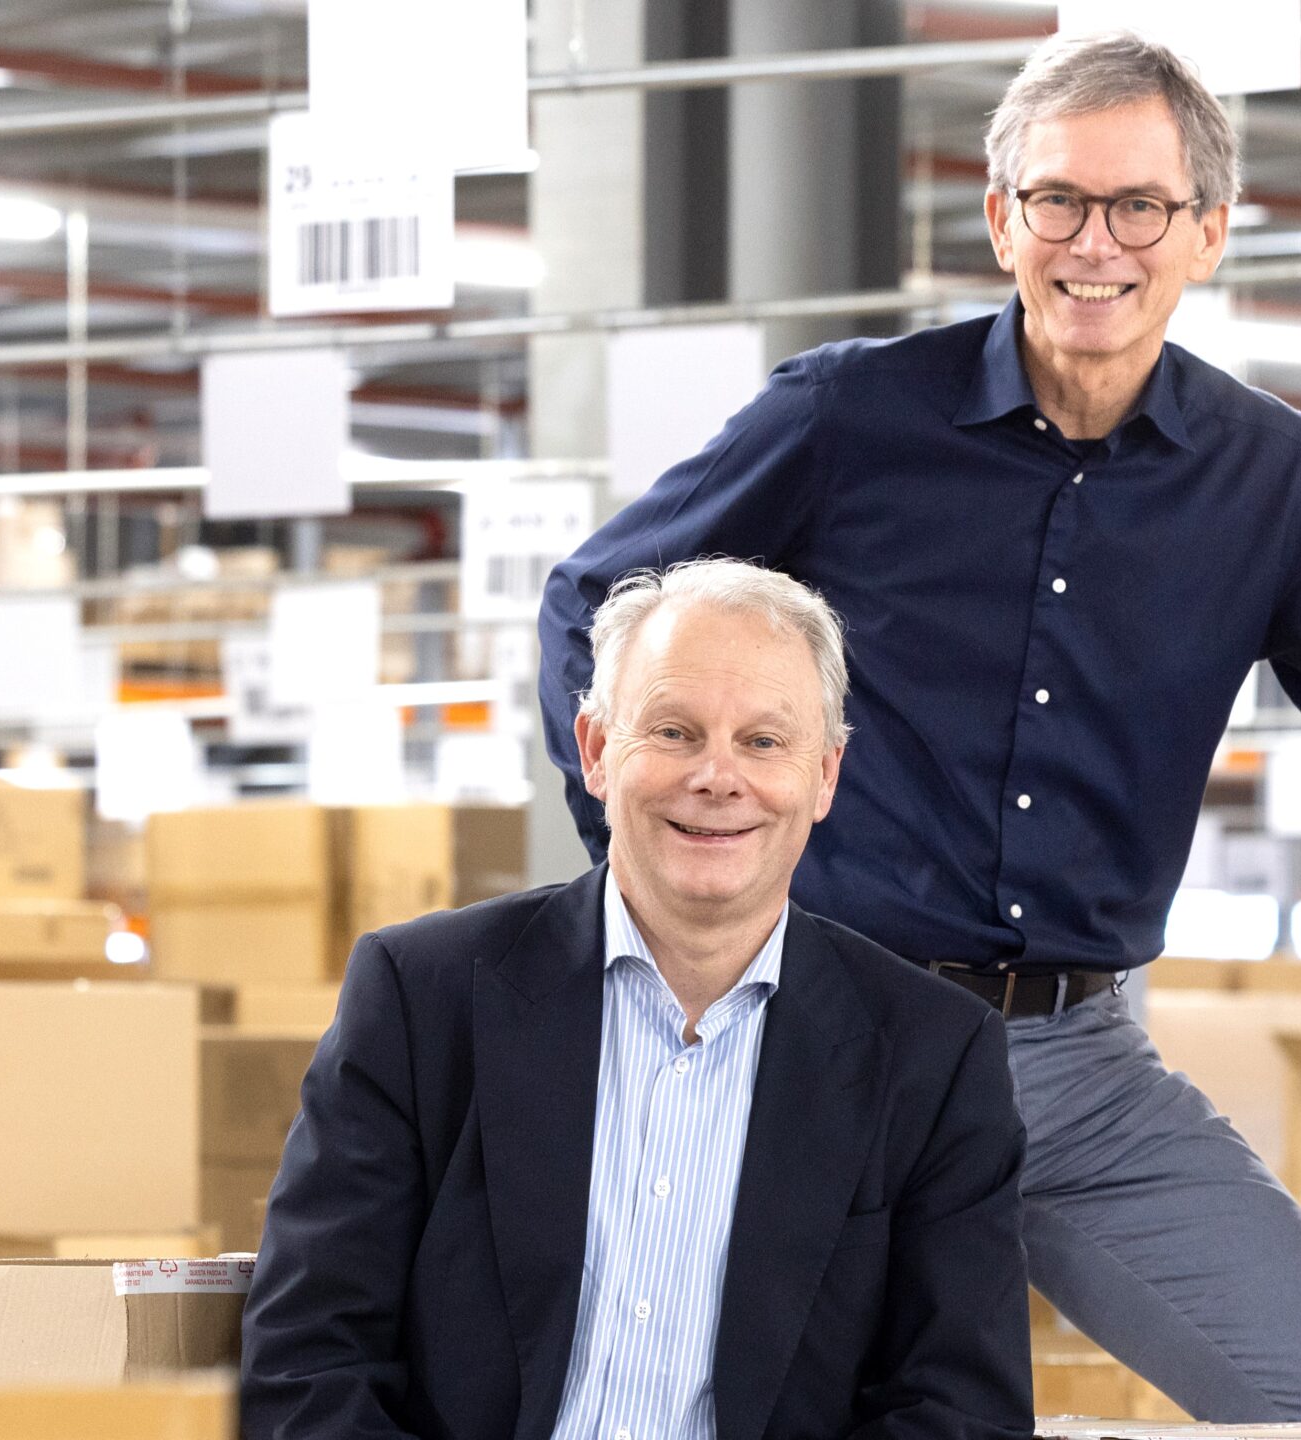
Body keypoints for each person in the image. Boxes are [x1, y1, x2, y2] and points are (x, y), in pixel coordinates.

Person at [536, 30, 1301, 1430]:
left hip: (1085, 1079)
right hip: (816, 1040)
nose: (1097, 244)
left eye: (1140, 206)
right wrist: (637, 835)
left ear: (1206, 232)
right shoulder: (851, 416)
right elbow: (597, 596)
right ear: (1001, 220)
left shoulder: (1277, 484)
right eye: (1059, 202)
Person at [245, 559, 1031, 1440]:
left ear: (824, 778)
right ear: (595, 751)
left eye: (764, 742)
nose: (718, 777)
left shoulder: (932, 1057)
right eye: (674, 731)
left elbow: (960, 1412)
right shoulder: (422, 1000)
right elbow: (309, 1363)